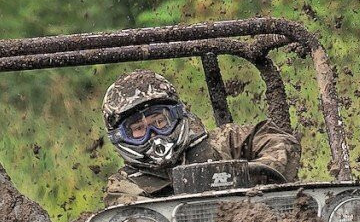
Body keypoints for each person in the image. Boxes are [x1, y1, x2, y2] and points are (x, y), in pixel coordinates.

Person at [102, 69, 300, 205]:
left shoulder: (223, 141)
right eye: (138, 129)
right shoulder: (122, 187)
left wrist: (251, 177)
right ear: (121, 137)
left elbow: (277, 140)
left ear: (177, 115)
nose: (153, 134)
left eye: (160, 122)